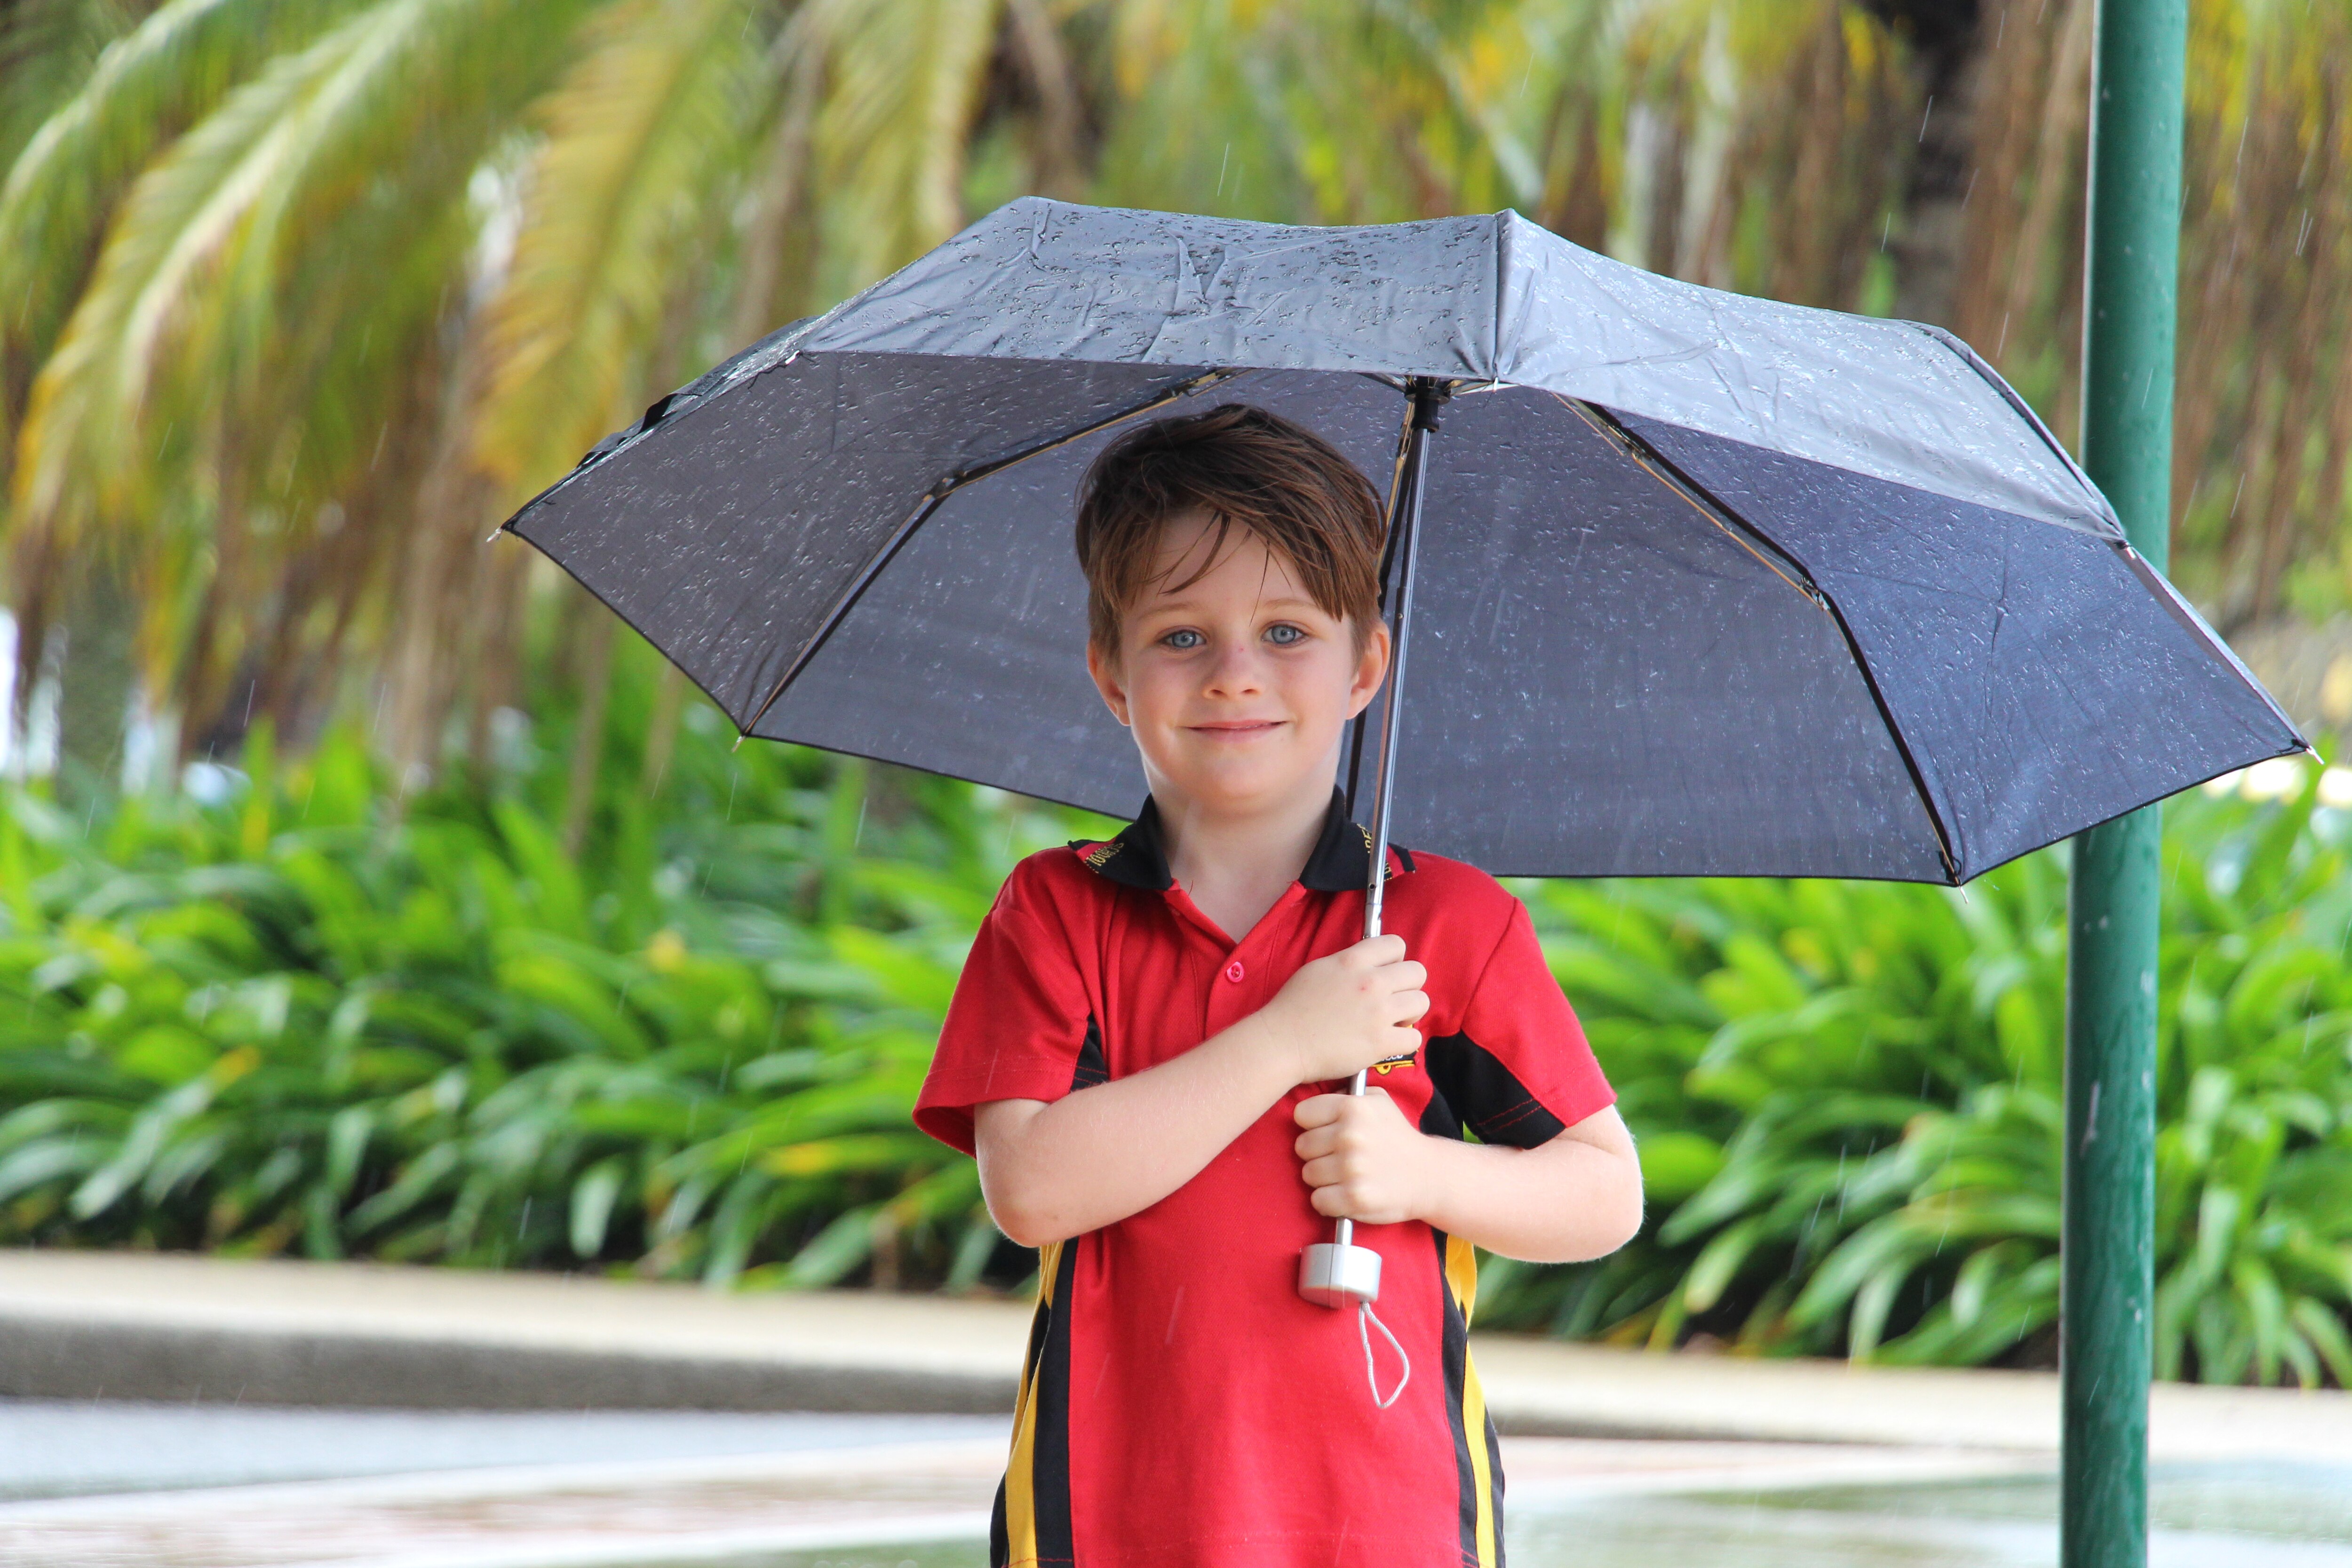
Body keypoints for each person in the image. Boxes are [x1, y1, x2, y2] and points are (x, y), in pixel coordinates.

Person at [912, 402, 1645, 1568]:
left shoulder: (1449, 923)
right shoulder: (1056, 909)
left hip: (1386, 1519)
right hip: (1110, 1520)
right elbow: (1034, 1188)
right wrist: (1282, 1042)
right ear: (1111, 673)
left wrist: (1417, 1171)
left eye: (1289, 632)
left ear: (1366, 664)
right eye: (1182, 637)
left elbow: (1603, 1193)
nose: (1235, 676)